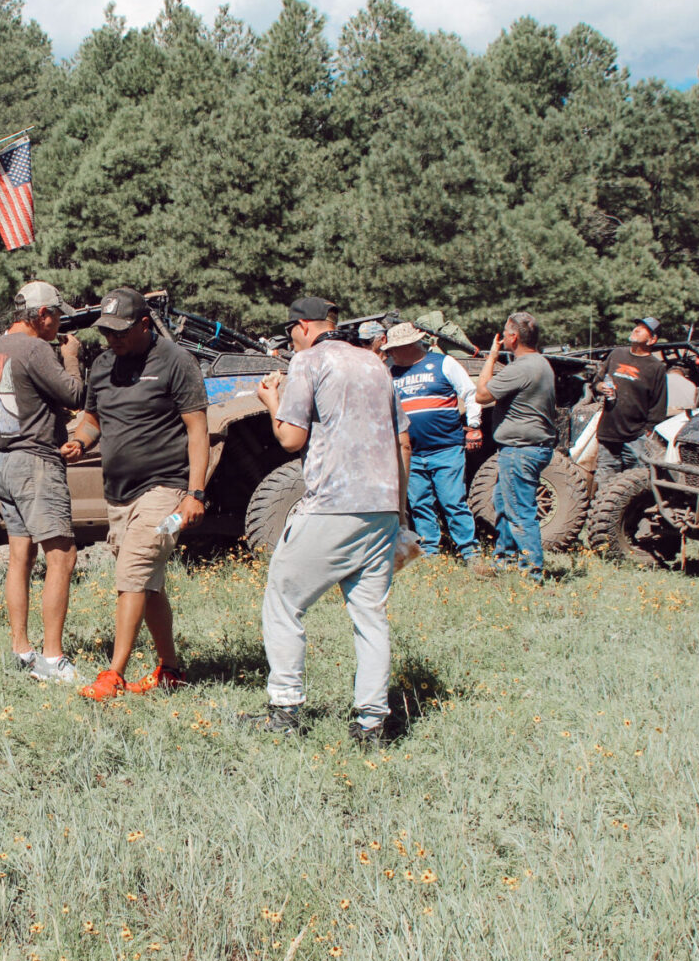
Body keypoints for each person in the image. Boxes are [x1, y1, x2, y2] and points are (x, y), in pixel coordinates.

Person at [240, 297, 411, 746]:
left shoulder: (308, 360)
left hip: (334, 502)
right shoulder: (376, 364)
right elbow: (403, 441)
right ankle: (372, 723)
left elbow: (290, 438)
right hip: (383, 506)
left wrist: (270, 398)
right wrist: (400, 508)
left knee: (283, 600)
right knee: (370, 617)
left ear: (301, 327)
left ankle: (284, 709)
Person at [66, 288, 208, 701]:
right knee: (148, 585)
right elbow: (93, 418)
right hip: (119, 495)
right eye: (106, 333)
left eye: (121, 332)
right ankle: (171, 670)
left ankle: (113, 675)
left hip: (166, 493)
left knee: (131, 574)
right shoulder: (105, 364)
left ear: (145, 324)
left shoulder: (175, 362)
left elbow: (198, 430)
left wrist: (194, 493)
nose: (112, 340)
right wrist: (81, 441)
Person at [0, 281, 85, 683]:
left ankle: (21, 650)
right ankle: (53, 660)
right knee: (63, 556)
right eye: (57, 315)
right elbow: (75, 394)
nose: (60, 324)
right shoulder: (38, 349)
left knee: (20, 556)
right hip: (37, 463)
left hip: (4, 461)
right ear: (41, 315)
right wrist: (71, 357)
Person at [383, 322, 481, 561]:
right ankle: (430, 554)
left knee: (453, 501)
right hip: (410, 453)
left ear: (409, 345)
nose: (391, 353)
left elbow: (469, 392)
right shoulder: (389, 371)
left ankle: (470, 551)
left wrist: (474, 425)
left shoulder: (443, 363)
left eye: (395, 348)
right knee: (419, 504)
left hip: (446, 447)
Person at [473, 312, 558, 580]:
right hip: (532, 447)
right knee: (504, 502)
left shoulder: (521, 368)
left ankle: (532, 572)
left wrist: (491, 357)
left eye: (504, 333)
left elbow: (482, 394)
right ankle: (505, 559)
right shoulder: (542, 363)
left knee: (520, 511)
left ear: (513, 337)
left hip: (520, 450)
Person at [592, 317, 667, 483]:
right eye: (637, 326)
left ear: (652, 339)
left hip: (636, 436)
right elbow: (595, 383)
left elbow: (658, 406)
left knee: (635, 482)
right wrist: (601, 387)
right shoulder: (616, 354)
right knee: (605, 479)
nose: (636, 329)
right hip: (608, 431)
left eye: (643, 328)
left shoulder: (656, 367)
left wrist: (646, 432)